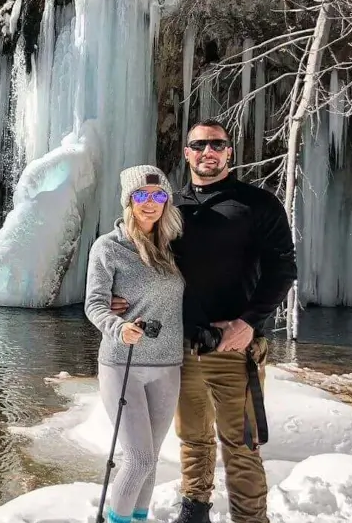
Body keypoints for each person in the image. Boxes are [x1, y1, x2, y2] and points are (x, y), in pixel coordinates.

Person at [111, 120, 297, 523]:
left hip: (236, 345)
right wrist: (116, 295)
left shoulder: (257, 204)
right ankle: (194, 511)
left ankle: (251, 518)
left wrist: (249, 323)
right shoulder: (169, 207)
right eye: (199, 145)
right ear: (187, 153)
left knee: (241, 443)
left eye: (217, 144)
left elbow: (283, 270)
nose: (208, 152)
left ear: (229, 152)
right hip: (181, 345)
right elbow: (136, 251)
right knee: (192, 438)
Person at [84, 165, 185, 523]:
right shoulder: (108, 248)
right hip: (121, 363)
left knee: (151, 457)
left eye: (159, 196)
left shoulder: (175, 245)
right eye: (141, 195)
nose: (151, 203)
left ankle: (138, 519)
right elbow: (94, 303)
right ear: (129, 200)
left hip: (168, 365)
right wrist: (117, 326)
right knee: (138, 457)